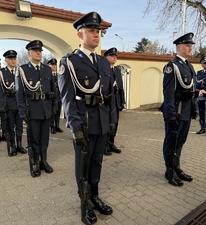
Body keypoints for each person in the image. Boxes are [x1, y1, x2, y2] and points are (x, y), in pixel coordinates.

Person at [58, 11, 117, 224]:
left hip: (101, 122)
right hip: (84, 123)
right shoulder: (70, 62)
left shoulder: (103, 63)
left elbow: (109, 96)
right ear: (79, 34)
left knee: (97, 163)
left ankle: (94, 196)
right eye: (91, 31)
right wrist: (75, 128)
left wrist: (111, 120)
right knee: (82, 166)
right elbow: (67, 99)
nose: (96, 35)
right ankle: (84, 205)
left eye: (98, 31)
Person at [161, 32, 198, 187]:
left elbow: (193, 90)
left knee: (180, 141)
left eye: (191, 45)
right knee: (171, 141)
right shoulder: (172, 66)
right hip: (176, 110)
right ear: (179, 47)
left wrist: (194, 109)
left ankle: (176, 166)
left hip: (186, 110)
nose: (190, 48)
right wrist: (170, 114)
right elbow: (168, 92)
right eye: (187, 45)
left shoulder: (189, 66)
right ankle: (169, 171)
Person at [15, 40, 56, 177]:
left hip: (46, 110)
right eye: (36, 50)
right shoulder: (23, 70)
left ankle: (43, 161)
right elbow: (19, 93)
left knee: (45, 138)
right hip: (32, 110)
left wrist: (54, 107)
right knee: (34, 139)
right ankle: (34, 163)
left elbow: (53, 90)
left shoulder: (47, 69)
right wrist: (22, 111)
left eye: (40, 50)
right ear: (29, 53)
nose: (39, 52)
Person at [0, 50, 27, 156]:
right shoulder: (1, 73)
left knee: (19, 126)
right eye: (10, 59)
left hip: (20, 105)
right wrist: (1, 105)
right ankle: (12, 146)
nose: (13, 61)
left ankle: (19, 145)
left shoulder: (21, 71)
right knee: (10, 127)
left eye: (14, 58)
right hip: (9, 104)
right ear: (6, 60)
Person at [103, 47, 125, 155]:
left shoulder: (117, 70)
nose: (115, 58)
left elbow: (121, 88)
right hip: (107, 102)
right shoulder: (103, 70)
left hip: (116, 101)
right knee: (107, 124)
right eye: (112, 56)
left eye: (116, 56)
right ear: (106, 57)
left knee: (115, 124)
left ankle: (111, 143)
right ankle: (104, 145)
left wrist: (122, 102)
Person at [47, 58, 63, 134]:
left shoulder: (59, 75)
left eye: (55, 65)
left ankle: (57, 126)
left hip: (59, 97)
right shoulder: (47, 75)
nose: (54, 66)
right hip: (51, 97)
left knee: (58, 112)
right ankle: (52, 127)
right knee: (52, 112)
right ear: (49, 65)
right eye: (52, 65)